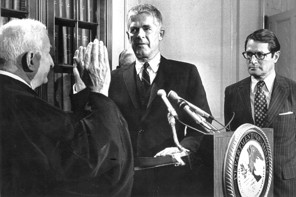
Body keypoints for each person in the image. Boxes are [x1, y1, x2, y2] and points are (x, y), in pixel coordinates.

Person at [0, 18, 133, 196]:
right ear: (31, 59)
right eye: (48, 53)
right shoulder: (27, 106)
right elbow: (94, 158)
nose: (53, 63)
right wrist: (99, 91)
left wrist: (82, 93)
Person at [109, 4, 212, 196]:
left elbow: (203, 125)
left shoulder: (185, 73)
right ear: (128, 35)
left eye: (146, 28)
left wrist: (183, 149)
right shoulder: (113, 79)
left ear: (161, 33)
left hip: (172, 177)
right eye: (134, 30)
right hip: (127, 180)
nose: (139, 34)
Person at [224, 29, 296, 196]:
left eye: (260, 55)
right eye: (249, 54)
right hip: (246, 184)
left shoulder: (293, 91)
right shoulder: (232, 93)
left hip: (286, 184)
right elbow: (231, 138)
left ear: (275, 56)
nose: (253, 60)